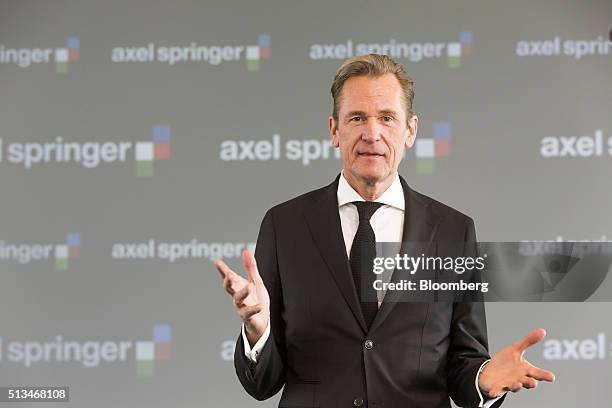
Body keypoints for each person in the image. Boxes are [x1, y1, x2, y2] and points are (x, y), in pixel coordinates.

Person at [215, 54, 555, 408]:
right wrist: (257, 330)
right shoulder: (284, 225)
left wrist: (483, 380)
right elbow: (263, 384)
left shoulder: (453, 230)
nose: (372, 133)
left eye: (387, 118)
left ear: (410, 131)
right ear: (334, 129)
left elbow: (463, 361)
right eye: (357, 117)